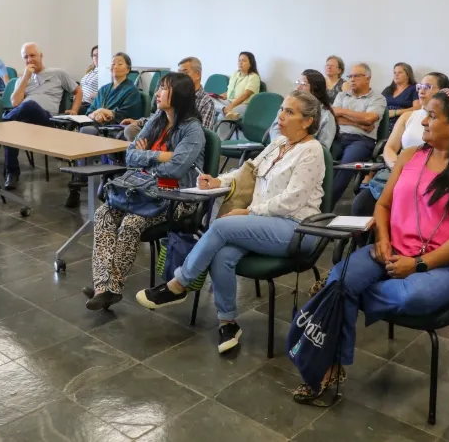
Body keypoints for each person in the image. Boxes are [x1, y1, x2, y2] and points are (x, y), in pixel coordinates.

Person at [292, 89, 449, 403]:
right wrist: (384, 240)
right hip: (392, 249)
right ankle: (332, 363)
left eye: (431, 115)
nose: (422, 120)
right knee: (342, 282)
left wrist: (417, 265)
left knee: (404, 295)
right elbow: (383, 206)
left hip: (446, 263)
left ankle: (338, 293)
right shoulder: (410, 155)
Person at [136, 91, 326, 353]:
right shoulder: (277, 145)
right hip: (265, 223)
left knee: (222, 226)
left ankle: (179, 284)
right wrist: (218, 181)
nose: (280, 116)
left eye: (289, 112)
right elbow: (246, 172)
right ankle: (228, 322)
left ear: (307, 121)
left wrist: (249, 212)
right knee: (223, 255)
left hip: (297, 228)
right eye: (281, 109)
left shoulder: (311, 151)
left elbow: (291, 201)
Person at [83, 73, 206, 310]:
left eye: (163, 88)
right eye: (159, 88)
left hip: (175, 197)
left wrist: (146, 156)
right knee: (103, 214)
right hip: (142, 189)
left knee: (131, 222)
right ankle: (103, 288)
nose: (157, 93)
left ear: (178, 95)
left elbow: (176, 169)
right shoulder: (158, 119)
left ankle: (110, 288)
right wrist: (161, 155)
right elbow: (130, 154)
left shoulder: (192, 130)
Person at [351, 72, 449, 216]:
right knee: (361, 205)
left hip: (428, 173)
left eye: (428, 87)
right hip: (398, 169)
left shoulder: (446, 120)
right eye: (420, 86)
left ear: (442, 92)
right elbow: (390, 147)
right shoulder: (408, 116)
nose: (421, 91)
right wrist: (396, 165)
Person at [3, 43, 82, 190]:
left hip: (47, 120)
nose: (29, 59)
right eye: (25, 57)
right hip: (25, 123)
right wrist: (26, 77)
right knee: (11, 128)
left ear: (41, 56)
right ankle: (12, 173)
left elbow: (78, 91)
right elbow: (15, 102)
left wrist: (74, 110)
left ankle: (2, 123)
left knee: (28, 106)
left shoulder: (58, 73)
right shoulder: (23, 80)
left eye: (32, 55)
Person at [66, 52, 141, 207]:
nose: (115, 66)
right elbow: (91, 110)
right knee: (83, 130)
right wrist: (95, 113)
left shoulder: (131, 90)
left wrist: (110, 113)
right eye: (113, 63)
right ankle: (80, 176)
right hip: (97, 124)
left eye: (120, 63)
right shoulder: (104, 89)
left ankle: (81, 177)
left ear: (128, 69)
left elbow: (129, 114)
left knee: (88, 132)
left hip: (114, 128)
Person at [331, 63, 387, 205]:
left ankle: (326, 205)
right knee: (321, 160)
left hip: (361, 140)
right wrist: (359, 123)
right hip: (337, 137)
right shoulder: (342, 95)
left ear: (368, 78)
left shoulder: (377, 98)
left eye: (356, 76)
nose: (352, 79)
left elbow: (369, 118)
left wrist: (342, 112)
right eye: (350, 76)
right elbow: (333, 117)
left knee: (346, 167)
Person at [122, 56, 216, 141]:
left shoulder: (206, 102)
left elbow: (203, 133)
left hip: (183, 139)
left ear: (198, 75)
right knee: (130, 129)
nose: (180, 77)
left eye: (184, 72)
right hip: (162, 133)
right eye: (178, 73)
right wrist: (138, 122)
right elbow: (157, 118)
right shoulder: (173, 95)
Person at [269, 70, 336, 148]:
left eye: (303, 84)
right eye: (298, 83)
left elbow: (323, 148)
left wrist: (295, 150)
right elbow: (275, 129)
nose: (298, 87)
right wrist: (282, 146)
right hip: (279, 149)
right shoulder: (288, 105)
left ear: (315, 88)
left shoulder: (326, 116)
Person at [215, 51, 261, 139]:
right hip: (229, 102)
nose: (240, 63)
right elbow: (229, 92)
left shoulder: (253, 77)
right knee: (208, 99)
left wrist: (230, 107)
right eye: (239, 60)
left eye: (243, 60)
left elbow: (245, 95)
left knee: (222, 115)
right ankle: (223, 109)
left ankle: (221, 143)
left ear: (250, 63)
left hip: (244, 105)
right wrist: (219, 96)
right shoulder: (235, 74)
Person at [381, 62, 419, 131]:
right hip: (383, 120)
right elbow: (378, 104)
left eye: (400, 72)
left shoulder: (414, 89)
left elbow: (417, 108)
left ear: (408, 75)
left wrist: (396, 112)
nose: (396, 75)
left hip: (401, 122)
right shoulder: (388, 89)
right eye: (394, 73)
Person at [79, 45, 99, 112]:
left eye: (99, 55)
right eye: (94, 55)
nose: (96, 58)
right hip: (80, 102)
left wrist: (98, 94)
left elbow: (110, 90)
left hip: (90, 104)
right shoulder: (90, 70)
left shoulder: (106, 72)